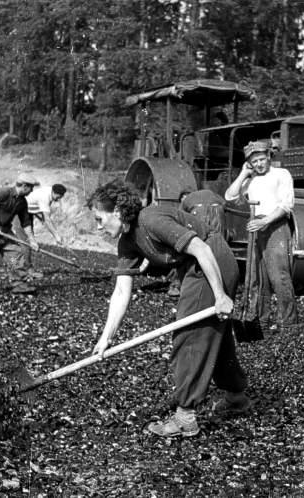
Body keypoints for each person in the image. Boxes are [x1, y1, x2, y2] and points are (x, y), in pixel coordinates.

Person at [89, 179, 249, 438]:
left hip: (212, 261)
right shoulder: (127, 242)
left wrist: (220, 295)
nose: (98, 227)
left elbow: (201, 248)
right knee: (211, 334)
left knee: (190, 336)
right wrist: (106, 338)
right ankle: (236, 397)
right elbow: (121, 291)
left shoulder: (151, 220)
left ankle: (186, 417)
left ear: (117, 212)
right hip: (196, 266)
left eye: (99, 219)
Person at [224, 140, 298, 332]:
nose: (259, 164)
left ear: (269, 157)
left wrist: (264, 222)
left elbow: (286, 205)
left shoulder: (281, 174)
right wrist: (243, 173)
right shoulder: (250, 180)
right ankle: (260, 323)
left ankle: (289, 324)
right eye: (254, 161)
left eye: (261, 159)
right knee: (257, 278)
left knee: (279, 277)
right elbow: (229, 197)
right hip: (257, 228)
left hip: (276, 227)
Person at [166, 188, 228, 298]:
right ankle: (219, 287)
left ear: (184, 197)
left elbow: (179, 220)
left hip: (200, 213)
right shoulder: (211, 193)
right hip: (219, 212)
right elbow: (224, 204)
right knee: (216, 251)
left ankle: (177, 286)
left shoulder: (186, 201)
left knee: (185, 252)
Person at [20, 183, 67, 279]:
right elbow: (47, 219)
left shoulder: (50, 191)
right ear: (54, 192)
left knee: (28, 241)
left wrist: (40, 218)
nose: (59, 199)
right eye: (59, 196)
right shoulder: (45, 197)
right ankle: (27, 271)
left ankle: (24, 269)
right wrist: (56, 236)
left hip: (28, 212)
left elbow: (35, 206)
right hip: (20, 213)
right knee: (26, 242)